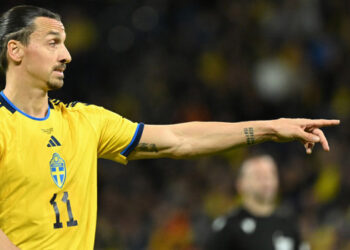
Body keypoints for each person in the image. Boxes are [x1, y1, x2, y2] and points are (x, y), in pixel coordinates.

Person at [0, 5, 339, 250]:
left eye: (65, 43)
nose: (67, 55)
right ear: (15, 50)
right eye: (53, 42)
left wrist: (270, 127)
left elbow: (178, 139)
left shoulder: (85, 122)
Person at [205, 155, 308, 250]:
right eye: (258, 175)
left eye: (271, 174)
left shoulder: (288, 222)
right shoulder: (228, 226)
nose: (266, 180)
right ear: (240, 184)